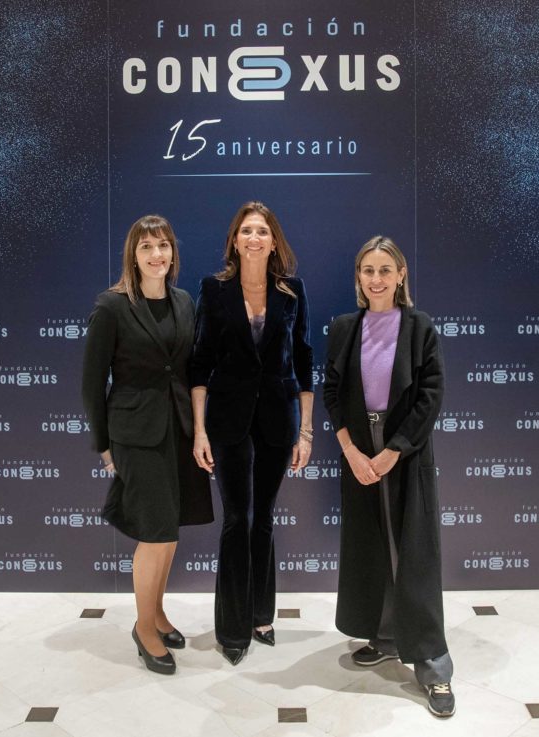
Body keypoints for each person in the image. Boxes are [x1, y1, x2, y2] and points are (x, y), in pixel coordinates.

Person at [322, 235, 455, 718]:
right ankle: (384, 637)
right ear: (358, 278)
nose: (375, 279)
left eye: (384, 270)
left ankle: (433, 663)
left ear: (401, 275)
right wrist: (352, 451)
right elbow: (332, 392)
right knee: (371, 546)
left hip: (406, 452)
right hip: (359, 452)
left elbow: (431, 395)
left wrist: (394, 451)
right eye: (367, 271)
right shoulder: (344, 327)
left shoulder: (420, 327)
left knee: (413, 553)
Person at [82, 214, 213, 676]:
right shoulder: (112, 306)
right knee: (154, 533)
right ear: (133, 256)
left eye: (163, 246)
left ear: (173, 252)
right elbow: (92, 382)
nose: (157, 254)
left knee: (169, 531)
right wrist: (103, 445)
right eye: (146, 247)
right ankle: (143, 628)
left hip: (179, 430)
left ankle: (156, 613)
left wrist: (199, 429)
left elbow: (189, 371)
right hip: (135, 434)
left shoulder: (183, 302)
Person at [190, 201, 314, 666]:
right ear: (235, 241)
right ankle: (232, 627)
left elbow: (304, 360)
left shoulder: (292, 292)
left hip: (278, 421)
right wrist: (199, 431)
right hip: (227, 422)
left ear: (273, 240)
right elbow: (200, 362)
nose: (254, 238)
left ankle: (262, 615)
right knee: (236, 520)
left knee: (263, 519)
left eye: (262, 230)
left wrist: (306, 432)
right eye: (246, 231)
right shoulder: (214, 290)